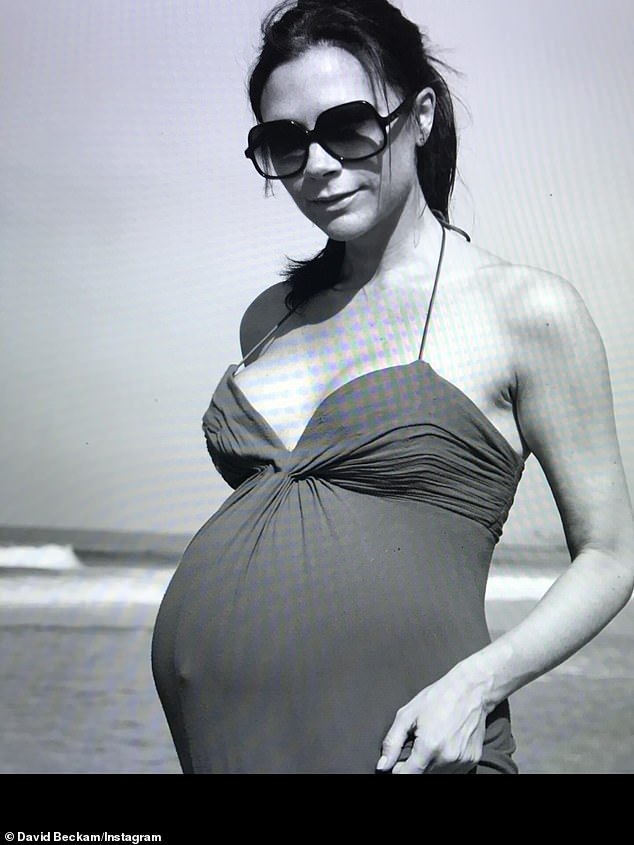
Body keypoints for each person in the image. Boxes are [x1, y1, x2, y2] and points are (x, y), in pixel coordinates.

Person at [151, 0, 634, 774]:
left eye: (348, 127)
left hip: (410, 753)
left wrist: (476, 686)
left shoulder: (525, 311)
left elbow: (611, 553)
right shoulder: (269, 318)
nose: (316, 165)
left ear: (420, 117)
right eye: (284, 141)